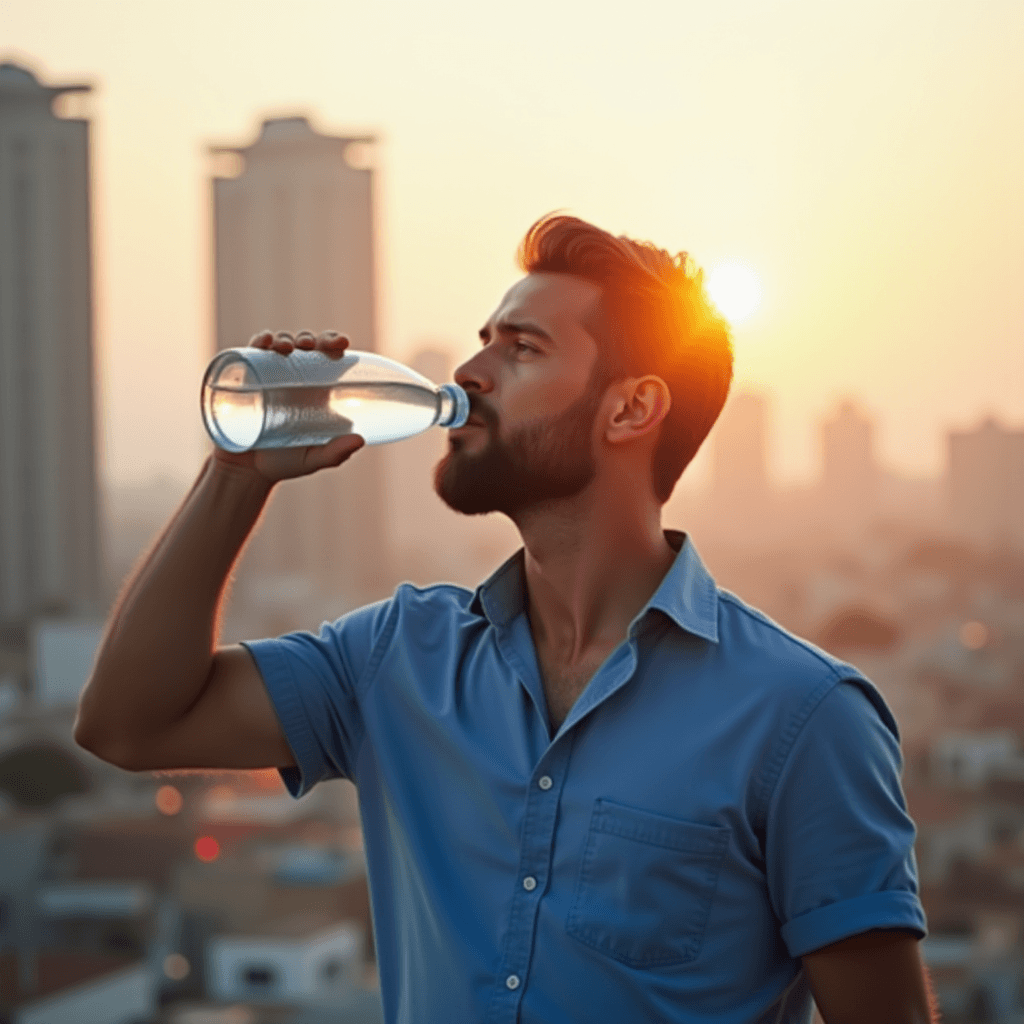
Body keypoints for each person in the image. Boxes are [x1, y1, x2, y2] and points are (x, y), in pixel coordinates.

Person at [76, 214, 935, 1023]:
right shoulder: (395, 657)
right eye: (484, 340)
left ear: (631, 408)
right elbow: (130, 725)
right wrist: (237, 475)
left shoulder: (802, 718)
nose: (469, 374)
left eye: (522, 349)